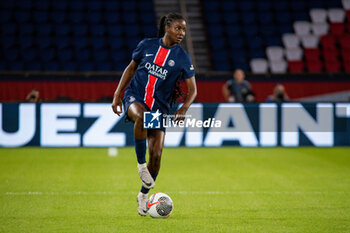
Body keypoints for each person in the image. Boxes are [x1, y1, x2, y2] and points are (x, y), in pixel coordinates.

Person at [111, 13, 197, 216]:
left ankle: (142, 195)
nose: (181, 33)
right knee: (140, 117)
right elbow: (131, 69)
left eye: (184, 30)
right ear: (167, 27)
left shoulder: (182, 58)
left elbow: (193, 89)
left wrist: (183, 108)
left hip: (159, 109)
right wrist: (117, 94)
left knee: (157, 156)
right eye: (178, 28)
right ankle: (141, 166)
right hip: (135, 97)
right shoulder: (147, 45)